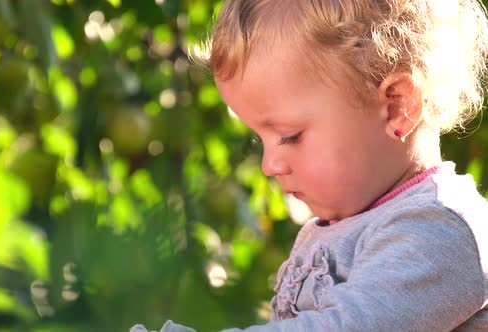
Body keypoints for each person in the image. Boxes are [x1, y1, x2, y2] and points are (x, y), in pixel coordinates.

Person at [132, 0, 488, 331]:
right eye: (260, 138)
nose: (269, 165)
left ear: (397, 106)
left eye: (289, 136)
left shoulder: (439, 230)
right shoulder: (334, 227)